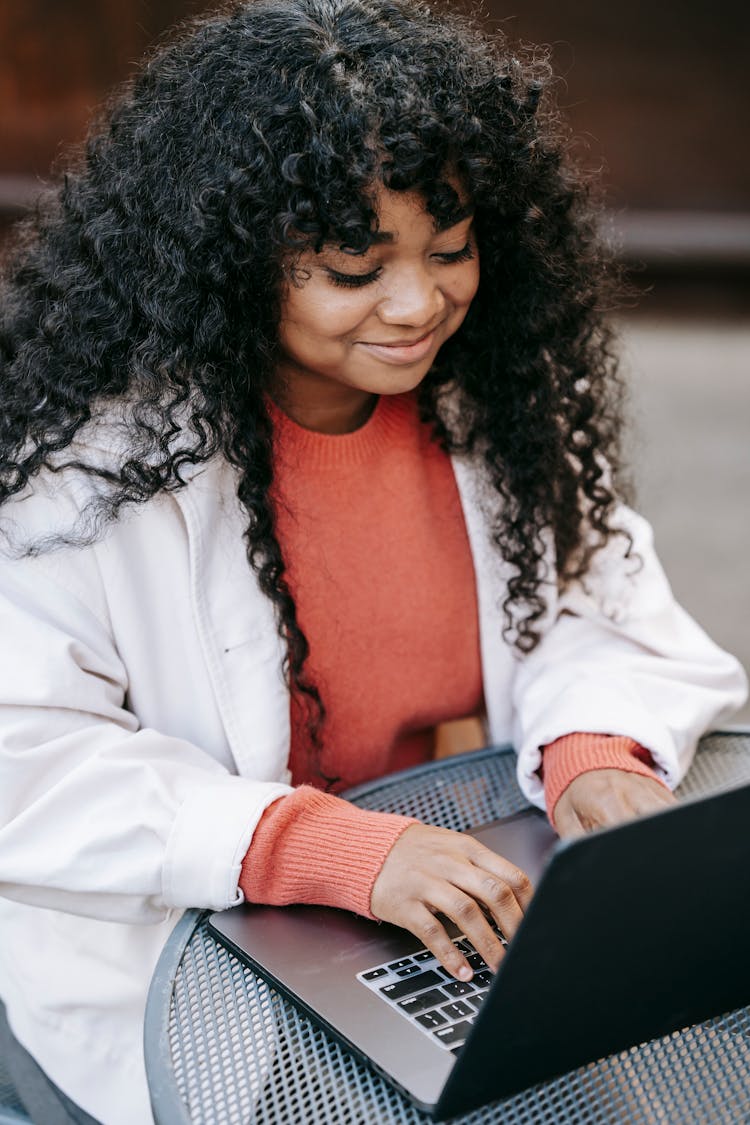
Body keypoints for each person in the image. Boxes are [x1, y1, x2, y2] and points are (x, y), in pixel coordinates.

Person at [0, 0, 745, 1121]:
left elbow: (597, 597)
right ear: (235, 260)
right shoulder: (89, 470)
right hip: (178, 945)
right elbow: (26, 756)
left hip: (443, 900)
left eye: (449, 251)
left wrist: (596, 745)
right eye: (353, 270)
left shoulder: (499, 397)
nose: (418, 305)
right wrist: (307, 844)